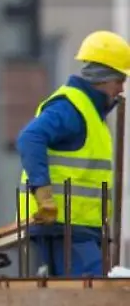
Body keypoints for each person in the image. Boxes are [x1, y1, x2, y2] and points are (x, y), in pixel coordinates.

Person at [16, 30, 129, 277]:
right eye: (119, 80)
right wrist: (42, 191)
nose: (121, 88)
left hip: (78, 227)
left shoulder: (89, 112)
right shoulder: (70, 108)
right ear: (103, 79)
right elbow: (30, 138)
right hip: (63, 225)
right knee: (92, 292)